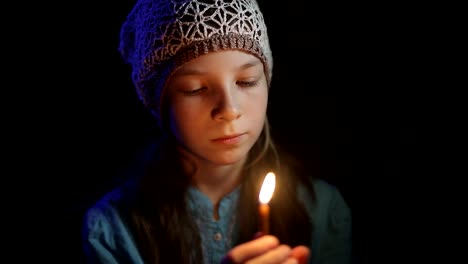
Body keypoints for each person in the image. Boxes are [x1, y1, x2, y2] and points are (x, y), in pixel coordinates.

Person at [81, 0, 352, 263]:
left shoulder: (322, 209)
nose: (229, 109)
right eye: (195, 89)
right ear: (159, 104)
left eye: (246, 82)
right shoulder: (112, 229)